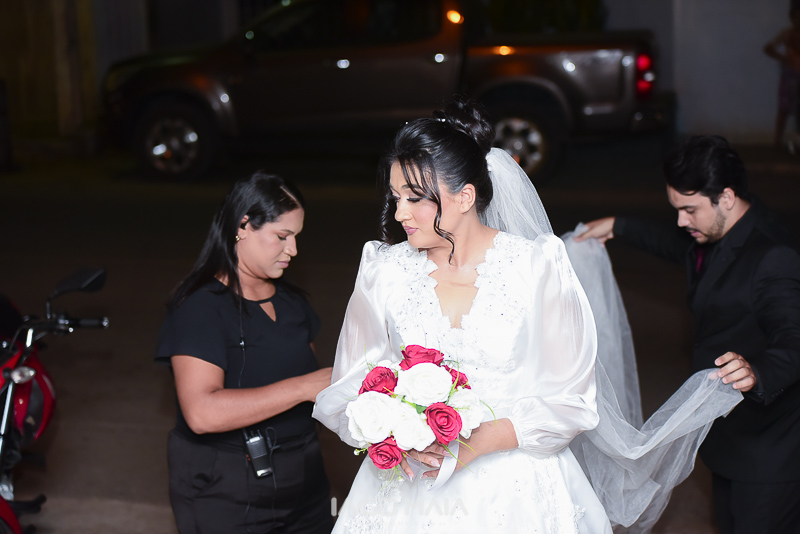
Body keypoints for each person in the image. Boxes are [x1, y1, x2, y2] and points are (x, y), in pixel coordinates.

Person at [312, 98, 616, 533]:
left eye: (415, 198)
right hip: (410, 487)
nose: (399, 213)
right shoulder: (383, 271)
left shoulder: (536, 267)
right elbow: (351, 382)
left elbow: (572, 399)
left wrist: (478, 442)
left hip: (516, 488)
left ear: (465, 196)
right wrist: (393, 432)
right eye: (395, 197)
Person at [576, 135, 800, 533]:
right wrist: (618, 226)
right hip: (728, 440)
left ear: (726, 197)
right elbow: (674, 244)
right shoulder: (718, 230)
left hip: (770, 452)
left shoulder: (773, 256)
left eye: (689, 210)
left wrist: (757, 371)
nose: (681, 221)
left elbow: (794, 339)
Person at [155, 172, 334, 534]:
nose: (293, 250)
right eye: (282, 236)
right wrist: (302, 387)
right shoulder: (200, 307)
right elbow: (201, 413)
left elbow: (319, 394)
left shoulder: (292, 303)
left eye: (296, 237)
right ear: (243, 226)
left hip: (306, 483)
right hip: (227, 491)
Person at [764, 5, 800, 151]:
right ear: (792, 18)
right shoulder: (787, 34)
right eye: (797, 17)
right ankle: (777, 143)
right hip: (790, 76)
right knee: (784, 109)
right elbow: (768, 48)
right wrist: (784, 58)